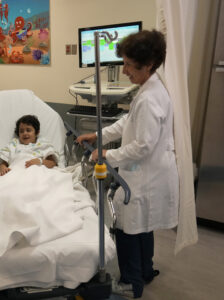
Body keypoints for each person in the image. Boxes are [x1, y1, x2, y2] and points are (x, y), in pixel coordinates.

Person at [76, 30, 178, 299]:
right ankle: (145, 271)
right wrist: (98, 136)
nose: (124, 71)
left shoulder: (149, 98)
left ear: (147, 65)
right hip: (150, 172)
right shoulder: (151, 87)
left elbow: (143, 145)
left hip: (145, 174)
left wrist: (107, 155)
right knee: (143, 224)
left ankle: (132, 284)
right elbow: (126, 123)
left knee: (127, 227)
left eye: (129, 66)